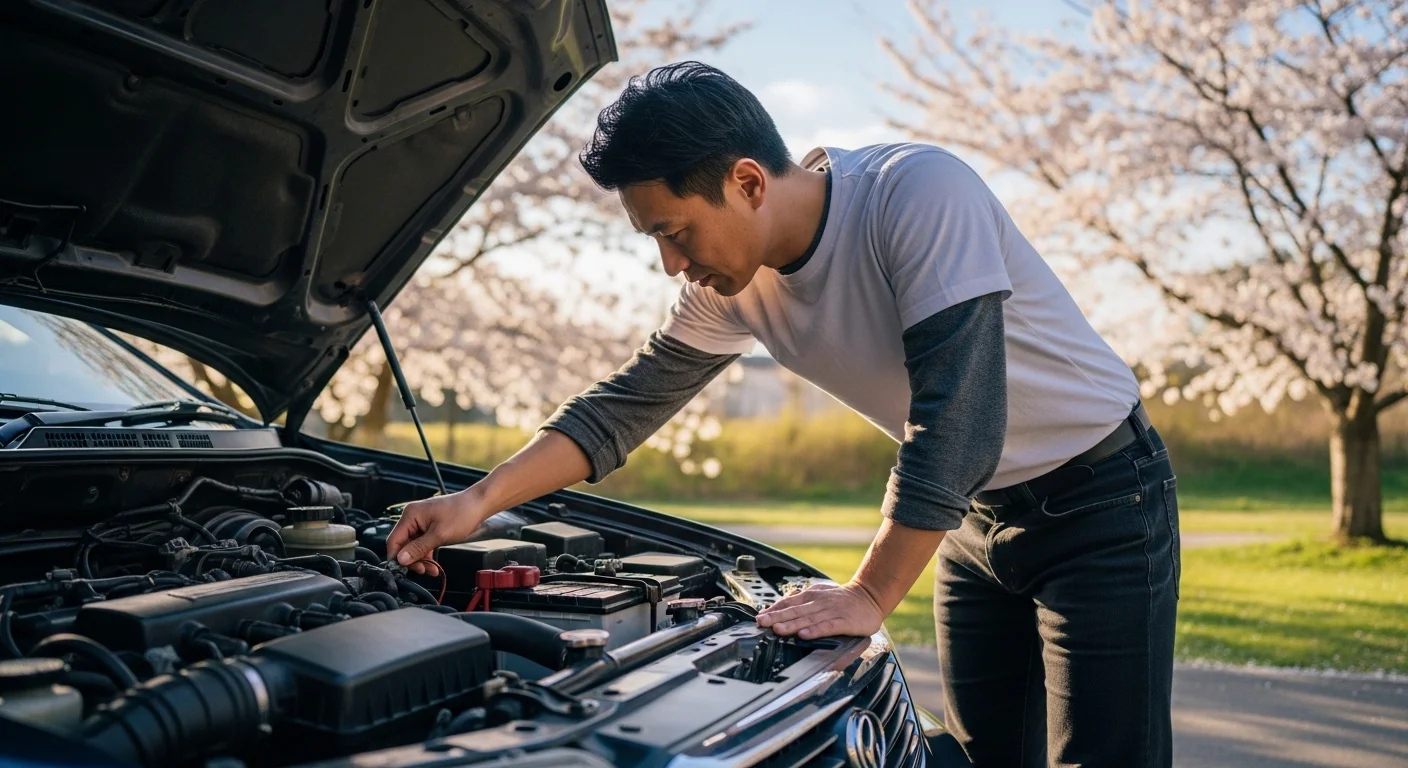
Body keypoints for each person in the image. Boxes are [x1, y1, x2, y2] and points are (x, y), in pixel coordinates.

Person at [386, 61, 1178, 767]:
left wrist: (869, 593)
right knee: (982, 758)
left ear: (749, 183)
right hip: (968, 520)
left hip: (1102, 500)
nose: (672, 263)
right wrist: (476, 502)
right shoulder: (731, 286)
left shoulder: (918, 193)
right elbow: (619, 411)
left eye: (675, 230)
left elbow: (960, 418)